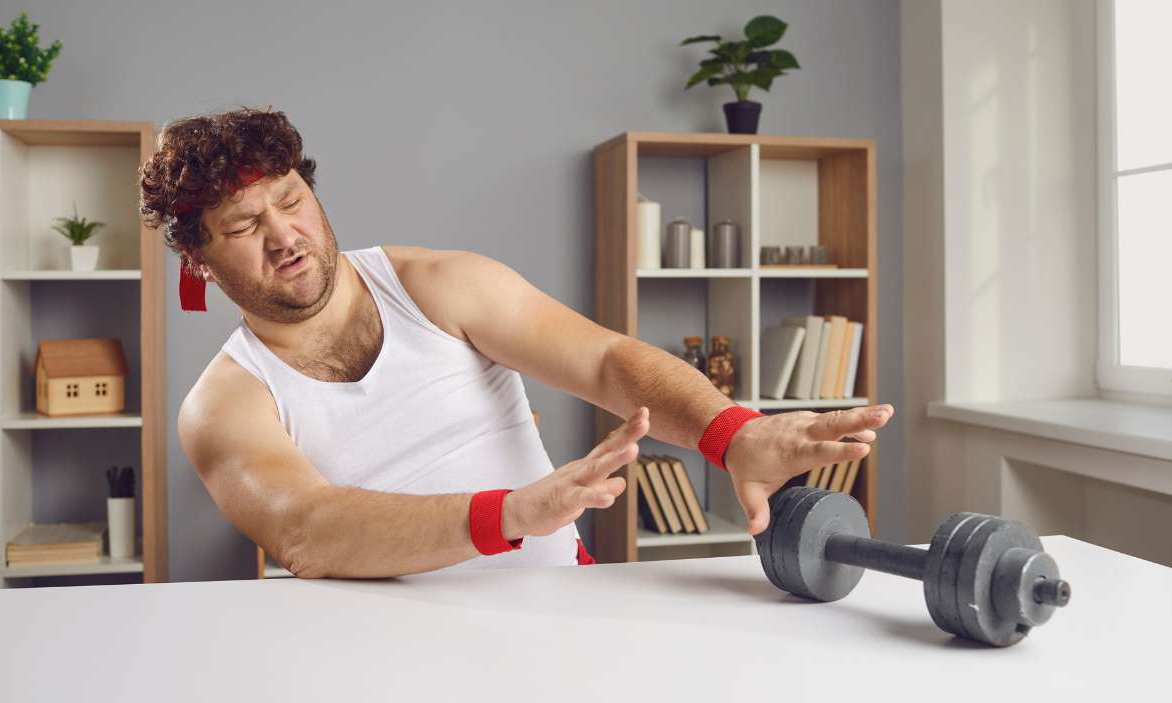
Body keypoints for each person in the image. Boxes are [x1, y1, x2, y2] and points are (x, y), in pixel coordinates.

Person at [137, 107, 893, 579]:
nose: (284, 235)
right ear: (198, 262)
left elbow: (601, 358)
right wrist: (508, 515)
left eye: (292, 200)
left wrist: (734, 433)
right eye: (243, 225)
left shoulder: (438, 281)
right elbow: (308, 529)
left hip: (565, 605)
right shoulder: (221, 404)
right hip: (379, 660)